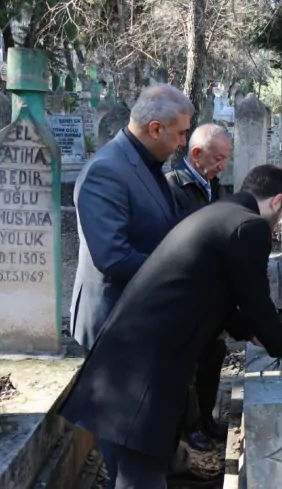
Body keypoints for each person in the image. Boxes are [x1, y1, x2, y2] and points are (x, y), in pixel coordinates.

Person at [59, 165, 282, 488]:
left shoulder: (219, 213)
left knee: (134, 472)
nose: (280, 221)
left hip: (128, 358)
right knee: (140, 480)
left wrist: (253, 332)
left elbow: (218, 292)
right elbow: (255, 299)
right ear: (277, 201)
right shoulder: (250, 227)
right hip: (145, 372)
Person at [70, 83, 193, 351]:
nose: (184, 142)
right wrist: (183, 272)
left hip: (140, 316)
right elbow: (113, 258)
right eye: (181, 133)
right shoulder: (106, 171)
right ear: (156, 128)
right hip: (113, 324)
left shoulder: (144, 162)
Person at [164, 124, 233, 452]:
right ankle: (189, 426)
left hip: (213, 295)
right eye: (219, 158)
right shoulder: (172, 188)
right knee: (188, 368)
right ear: (196, 154)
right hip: (186, 295)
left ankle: (206, 418)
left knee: (212, 357)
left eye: (226, 159)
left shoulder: (217, 188)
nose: (223, 166)